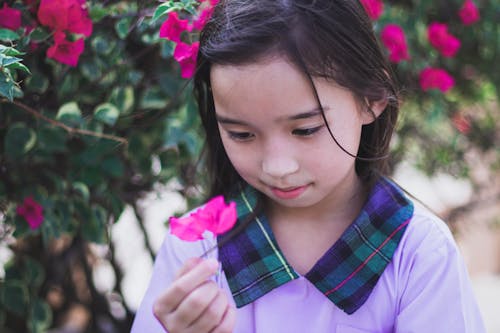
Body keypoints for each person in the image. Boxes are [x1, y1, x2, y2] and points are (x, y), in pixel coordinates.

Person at [132, 0, 486, 332]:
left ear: (371, 100)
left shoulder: (420, 254)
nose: (277, 166)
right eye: (241, 134)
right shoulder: (195, 248)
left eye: (305, 129)